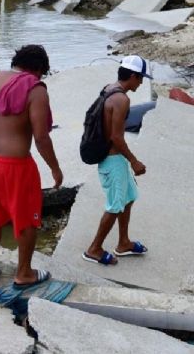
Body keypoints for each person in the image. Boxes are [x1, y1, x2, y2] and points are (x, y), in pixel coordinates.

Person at [0, 45, 62, 291]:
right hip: (14, 165)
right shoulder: (35, 88)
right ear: (39, 69)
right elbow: (41, 137)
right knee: (27, 219)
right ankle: (24, 273)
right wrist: (55, 168)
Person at [83, 55, 152, 266]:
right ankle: (93, 249)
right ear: (132, 76)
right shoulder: (122, 99)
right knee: (114, 205)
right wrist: (134, 161)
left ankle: (123, 242)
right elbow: (116, 137)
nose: (141, 83)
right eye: (140, 78)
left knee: (129, 197)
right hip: (112, 161)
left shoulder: (109, 88)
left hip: (115, 159)